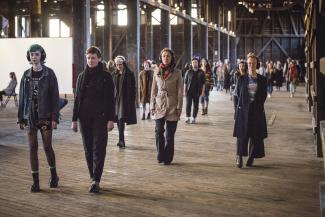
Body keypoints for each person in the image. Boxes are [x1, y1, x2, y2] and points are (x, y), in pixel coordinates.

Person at [71, 46, 115, 193]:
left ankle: (96, 179)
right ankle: (92, 177)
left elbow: (111, 99)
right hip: (84, 118)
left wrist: (111, 119)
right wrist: (74, 119)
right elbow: (77, 99)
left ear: (99, 58)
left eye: (93, 57)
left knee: (99, 148)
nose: (91, 60)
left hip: (101, 118)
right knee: (88, 150)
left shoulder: (106, 76)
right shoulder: (81, 76)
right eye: (88, 58)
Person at [17, 44, 60, 192]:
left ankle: (54, 176)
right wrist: (20, 118)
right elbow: (22, 98)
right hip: (30, 117)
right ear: (29, 56)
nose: (33, 57)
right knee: (32, 148)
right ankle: (36, 182)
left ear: (42, 55)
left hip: (45, 116)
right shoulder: (25, 75)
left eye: (36, 54)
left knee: (47, 147)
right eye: (31, 54)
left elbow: (55, 97)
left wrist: (55, 117)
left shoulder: (50, 74)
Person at [233, 52, 267, 168]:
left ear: (256, 64)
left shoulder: (262, 79)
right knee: (242, 134)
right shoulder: (241, 79)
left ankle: (252, 157)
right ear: (246, 65)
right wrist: (236, 110)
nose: (251, 65)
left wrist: (258, 106)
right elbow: (236, 95)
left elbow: (264, 95)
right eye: (249, 63)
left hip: (256, 110)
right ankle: (239, 156)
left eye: (253, 63)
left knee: (255, 135)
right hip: (243, 110)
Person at [150, 48, 183, 165]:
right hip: (159, 105)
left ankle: (168, 157)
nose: (165, 58)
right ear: (161, 57)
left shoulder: (177, 72)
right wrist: (152, 106)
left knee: (170, 134)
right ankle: (160, 154)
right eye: (163, 56)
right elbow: (153, 90)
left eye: (168, 56)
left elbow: (180, 91)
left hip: (172, 105)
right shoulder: (156, 71)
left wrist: (179, 107)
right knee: (158, 131)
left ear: (171, 58)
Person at [112, 55, 137, 149]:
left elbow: (133, 88)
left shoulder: (129, 74)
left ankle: (121, 140)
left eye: (120, 64)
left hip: (124, 99)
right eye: (117, 64)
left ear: (124, 64)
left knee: (121, 118)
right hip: (116, 100)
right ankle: (120, 139)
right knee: (118, 120)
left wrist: (132, 99)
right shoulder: (114, 74)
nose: (119, 66)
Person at [184, 56, 205, 124]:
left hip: (197, 91)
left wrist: (202, 92)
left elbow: (203, 83)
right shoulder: (188, 72)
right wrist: (184, 91)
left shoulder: (201, 72)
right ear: (191, 63)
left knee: (196, 105)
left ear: (198, 63)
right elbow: (185, 82)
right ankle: (187, 117)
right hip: (189, 91)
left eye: (196, 62)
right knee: (188, 104)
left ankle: (194, 117)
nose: (194, 63)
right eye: (193, 62)